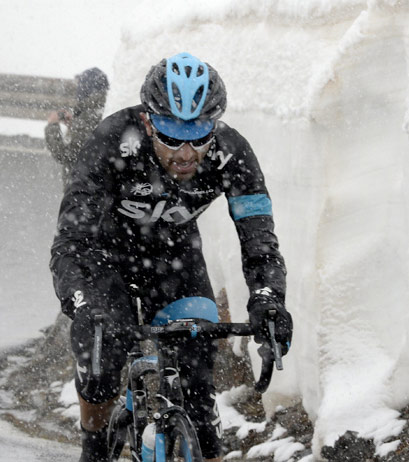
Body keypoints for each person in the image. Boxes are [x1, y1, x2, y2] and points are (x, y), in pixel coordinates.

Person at [49, 52, 293, 462]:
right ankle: (93, 446)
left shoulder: (232, 153)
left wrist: (268, 299)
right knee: (100, 362)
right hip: (104, 257)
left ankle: (205, 444)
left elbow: (260, 241)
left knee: (198, 371)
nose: (185, 152)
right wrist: (82, 303)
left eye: (199, 136)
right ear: (148, 121)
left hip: (175, 259)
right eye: (170, 134)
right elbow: (70, 243)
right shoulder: (112, 139)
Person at [45, 67, 109, 189]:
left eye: (79, 86)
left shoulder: (88, 117)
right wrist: (74, 125)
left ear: (86, 88)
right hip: (96, 188)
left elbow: (65, 154)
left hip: (83, 193)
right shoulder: (101, 111)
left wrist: (53, 126)